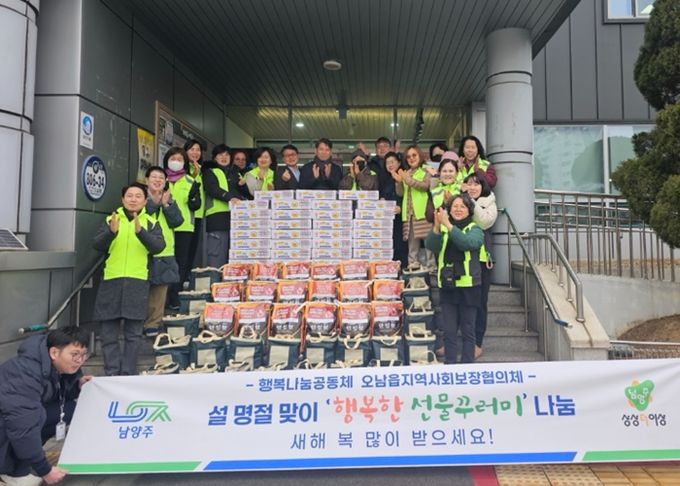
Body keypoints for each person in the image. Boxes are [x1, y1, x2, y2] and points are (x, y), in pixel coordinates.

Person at [0, 326, 92, 486]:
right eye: (75, 354)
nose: (80, 360)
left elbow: (58, 396)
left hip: (13, 422)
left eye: (84, 355)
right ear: (54, 352)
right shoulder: (25, 374)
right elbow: (22, 426)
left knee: (68, 409)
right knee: (35, 417)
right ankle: (9, 469)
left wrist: (77, 386)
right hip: (10, 423)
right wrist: (45, 470)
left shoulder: (54, 365)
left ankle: (16, 467)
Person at [93, 183, 165, 376]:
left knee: (133, 335)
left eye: (138, 196)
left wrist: (141, 232)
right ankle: (111, 372)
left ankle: (128, 373)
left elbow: (158, 247)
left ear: (145, 201)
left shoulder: (151, 222)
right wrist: (111, 232)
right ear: (123, 199)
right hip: (111, 279)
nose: (133, 199)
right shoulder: (111, 219)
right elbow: (97, 244)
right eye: (129, 196)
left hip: (137, 281)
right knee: (108, 334)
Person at [425, 194, 484, 364]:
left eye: (462, 207)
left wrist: (449, 225)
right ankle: (450, 365)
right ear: (449, 210)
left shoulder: (475, 229)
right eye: (454, 206)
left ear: (469, 210)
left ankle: (466, 366)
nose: (458, 209)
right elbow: (431, 246)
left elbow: (467, 243)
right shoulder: (444, 228)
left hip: (469, 287)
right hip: (448, 286)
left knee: (468, 331)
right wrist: (437, 227)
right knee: (449, 331)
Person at [143, 166, 183, 337]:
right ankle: (138, 322)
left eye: (161, 178)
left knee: (159, 291)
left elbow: (178, 221)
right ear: (146, 180)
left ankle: (153, 324)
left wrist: (167, 205)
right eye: (154, 177)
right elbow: (143, 213)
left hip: (165, 250)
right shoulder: (139, 196)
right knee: (141, 289)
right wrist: (155, 202)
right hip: (142, 251)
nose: (158, 180)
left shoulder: (168, 198)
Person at [461, 172, 498, 359]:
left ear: (483, 186)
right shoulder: (460, 201)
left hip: (482, 259)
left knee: (480, 302)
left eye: (476, 184)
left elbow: (483, 222)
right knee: (461, 301)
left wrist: (469, 201)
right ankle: (459, 340)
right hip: (462, 258)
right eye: (469, 183)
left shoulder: (489, 203)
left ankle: (477, 342)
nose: (472, 187)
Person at [163, 147, 201, 310]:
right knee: (164, 261)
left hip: (184, 227)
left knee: (180, 262)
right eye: (173, 158)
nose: (176, 162)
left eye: (179, 159)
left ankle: (175, 296)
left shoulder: (191, 181)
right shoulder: (162, 179)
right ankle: (163, 296)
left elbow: (196, 204)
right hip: (163, 226)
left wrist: (194, 198)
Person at [202, 144, 244, 267]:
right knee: (217, 258)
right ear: (215, 158)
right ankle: (215, 279)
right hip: (217, 219)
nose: (224, 157)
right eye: (220, 155)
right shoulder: (210, 171)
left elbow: (242, 193)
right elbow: (212, 189)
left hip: (236, 220)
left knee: (234, 260)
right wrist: (229, 197)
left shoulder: (235, 173)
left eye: (227, 155)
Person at [394, 145, 435, 269]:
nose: (411, 158)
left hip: (423, 213)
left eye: (414, 155)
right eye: (408, 157)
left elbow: (425, 186)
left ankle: (432, 271)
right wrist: (399, 182)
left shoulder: (426, 171)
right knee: (412, 247)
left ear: (420, 156)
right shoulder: (406, 173)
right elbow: (400, 193)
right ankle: (413, 271)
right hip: (409, 215)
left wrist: (407, 179)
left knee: (429, 246)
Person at [380, 151, 408, 268]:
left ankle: (403, 269)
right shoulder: (384, 179)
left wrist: (401, 208)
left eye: (392, 162)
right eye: (387, 163)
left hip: (401, 218)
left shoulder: (405, 176)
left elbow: (408, 196)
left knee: (400, 246)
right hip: (388, 220)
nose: (390, 165)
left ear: (399, 163)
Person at [184, 139, 206, 266]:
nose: (195, 152)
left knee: (193, 247)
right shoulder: (183, 168)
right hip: (186, 213)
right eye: (192, 149)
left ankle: (188, 273)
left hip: (199, 213)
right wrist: (193, 175)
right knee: (185, 247)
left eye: (198, 150)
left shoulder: (202, 169)